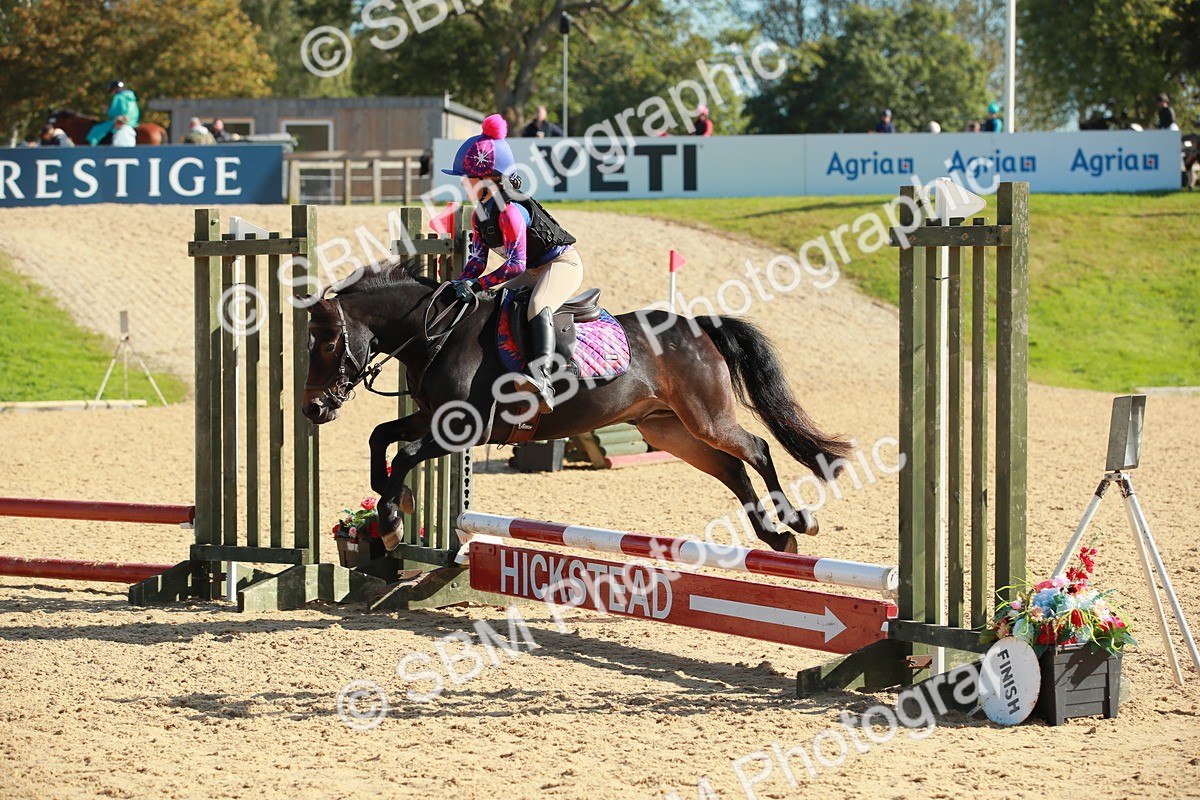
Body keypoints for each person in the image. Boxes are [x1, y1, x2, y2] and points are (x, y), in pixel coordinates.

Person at [443, 114, 582, 413]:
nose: (464, 183)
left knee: (537, 305)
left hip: (561, 265)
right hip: (534, 269)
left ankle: (542, 378)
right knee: (495, 305)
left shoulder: (510, 213)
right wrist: (461, 283)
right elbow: (477, 263)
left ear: (490, 178)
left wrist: (476, 284)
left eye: (468, 178)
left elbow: (515, 265)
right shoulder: (478, 214)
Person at [86, 80, 140, 145]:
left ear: (114, 89)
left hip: (121, 121)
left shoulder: (118, 97)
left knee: (97, 130)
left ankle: (92, 145)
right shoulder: (131, 98)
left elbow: (116, 112)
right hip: (133, 122)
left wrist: (107, 110)